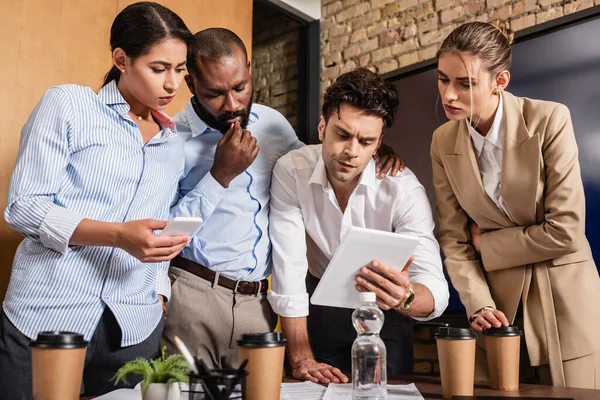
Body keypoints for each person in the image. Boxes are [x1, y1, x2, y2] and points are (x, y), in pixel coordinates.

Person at [161, 28, 404, 369]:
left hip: (258, 305)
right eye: (215, 94)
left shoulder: (272, 124)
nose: (231, 105)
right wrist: (220, 176)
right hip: (193, 296)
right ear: (191, 84)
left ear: (249, 69)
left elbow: (314, 167)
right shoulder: (170, 140)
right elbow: (161, 236)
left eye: (239, 87)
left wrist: (373, 150)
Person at [0, 2, 194, 397]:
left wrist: (158, 293)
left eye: (180, 70)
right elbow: (23, 206)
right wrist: (118, 235)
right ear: (121, 59)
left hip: (133, 328)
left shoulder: (174, 144)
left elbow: (158, 224)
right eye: (159, 69)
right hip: (48, 314)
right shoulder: (69, 105)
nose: (173, 84)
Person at [430, 20, 600, 389]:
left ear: (500, 82)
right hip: (497, 308)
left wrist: (487, 244)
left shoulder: (550, 119)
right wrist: (478, 304)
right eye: (444, 79)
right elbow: (453, 239)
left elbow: (567, 231)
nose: (450, 95)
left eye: (465, 83)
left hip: (566, 302)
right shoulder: (442, 141)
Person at [268, 68, 449, 384]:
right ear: (322, 127)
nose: (351, 152)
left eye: (365, 141)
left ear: (379, 144)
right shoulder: (291, 171)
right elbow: (289, 267)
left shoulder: (403, 190)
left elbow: (435, 288)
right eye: (342, 134)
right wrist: (300, 357)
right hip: (316, 309)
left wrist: (404, 297)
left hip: (387, 318)